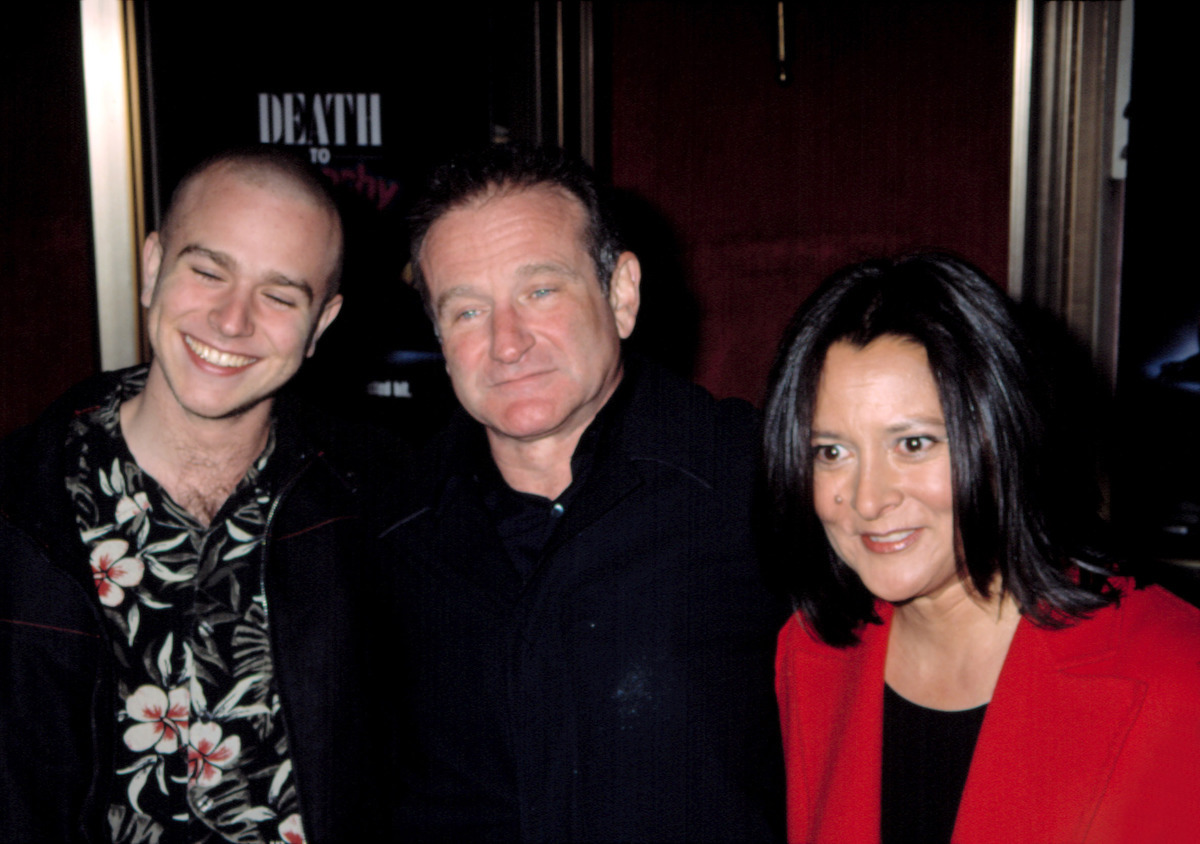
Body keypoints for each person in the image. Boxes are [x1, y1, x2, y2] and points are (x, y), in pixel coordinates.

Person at [379, 143, 787, 842]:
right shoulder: (384, 528)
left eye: (540, 292)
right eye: (467, 311)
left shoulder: (760, 484)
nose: (507, 343)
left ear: (621, 293)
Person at [0, 149, 388, 843]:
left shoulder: (378, 509)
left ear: (321, 324)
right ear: (153, 266)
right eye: (208, 271)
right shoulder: (16, 507)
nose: (232, 320)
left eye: (278, 295)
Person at [760, 252, 1200, 844]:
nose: (867, 500)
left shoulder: (1176, 676)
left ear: (1003, 439)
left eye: (912, 443)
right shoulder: (810, 657)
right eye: (831, 452)